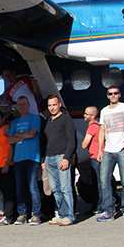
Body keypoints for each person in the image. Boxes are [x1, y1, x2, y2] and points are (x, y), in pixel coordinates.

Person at [96, 87, 124, 222]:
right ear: (107, 96)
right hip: (108, 149)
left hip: (122, 148)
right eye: (110, 94)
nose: (113, 95)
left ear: (119, 95)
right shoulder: (104, 111)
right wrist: (100, 150)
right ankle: (108, 211)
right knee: (104, 181)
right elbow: (102, 131)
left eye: (115, 93)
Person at [8, 96, 43, 225]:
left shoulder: (35, 118)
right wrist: (23, 135)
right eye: (19, 105)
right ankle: (22, 214)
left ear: (28, 105)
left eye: (24, 104)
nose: (22, 107)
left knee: (32, 187)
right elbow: (9, 140)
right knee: (19, 188)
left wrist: (17, 135)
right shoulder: (15, 122)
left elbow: (32, 134)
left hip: (32, 157)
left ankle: (36, 214)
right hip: (18, 159)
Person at [43, 95, 77, 226]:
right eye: (50, 105)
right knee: (56, 189)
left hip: (60, 157)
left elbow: (71, 141)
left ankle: (69, 215)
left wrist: (66, 157)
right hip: (48, 158)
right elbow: (43, 141)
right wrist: (43, 160)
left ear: (59, 105)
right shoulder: (47, 121)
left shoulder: (66, 120)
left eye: (54, 105)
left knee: (65, 188)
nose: (52, 108)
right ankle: (61, 214)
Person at [0, 111, 16, 224]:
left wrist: (7, 164)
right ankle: (8, 214)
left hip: (7, 165)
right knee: (3, 192)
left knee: (9, 192)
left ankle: (9, 216)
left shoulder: (7, 129)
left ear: (3, 119)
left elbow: (11, 148)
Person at [82, 106, 105, 214]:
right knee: (100, 183)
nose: (84, 115)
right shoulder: (97, 125)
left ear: (93, 116)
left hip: (96, 157)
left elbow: (84, 144)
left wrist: (83, 143)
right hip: (96, 156)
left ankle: (99, 207)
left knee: (98, 184)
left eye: (87, 114)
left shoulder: (92, 127)